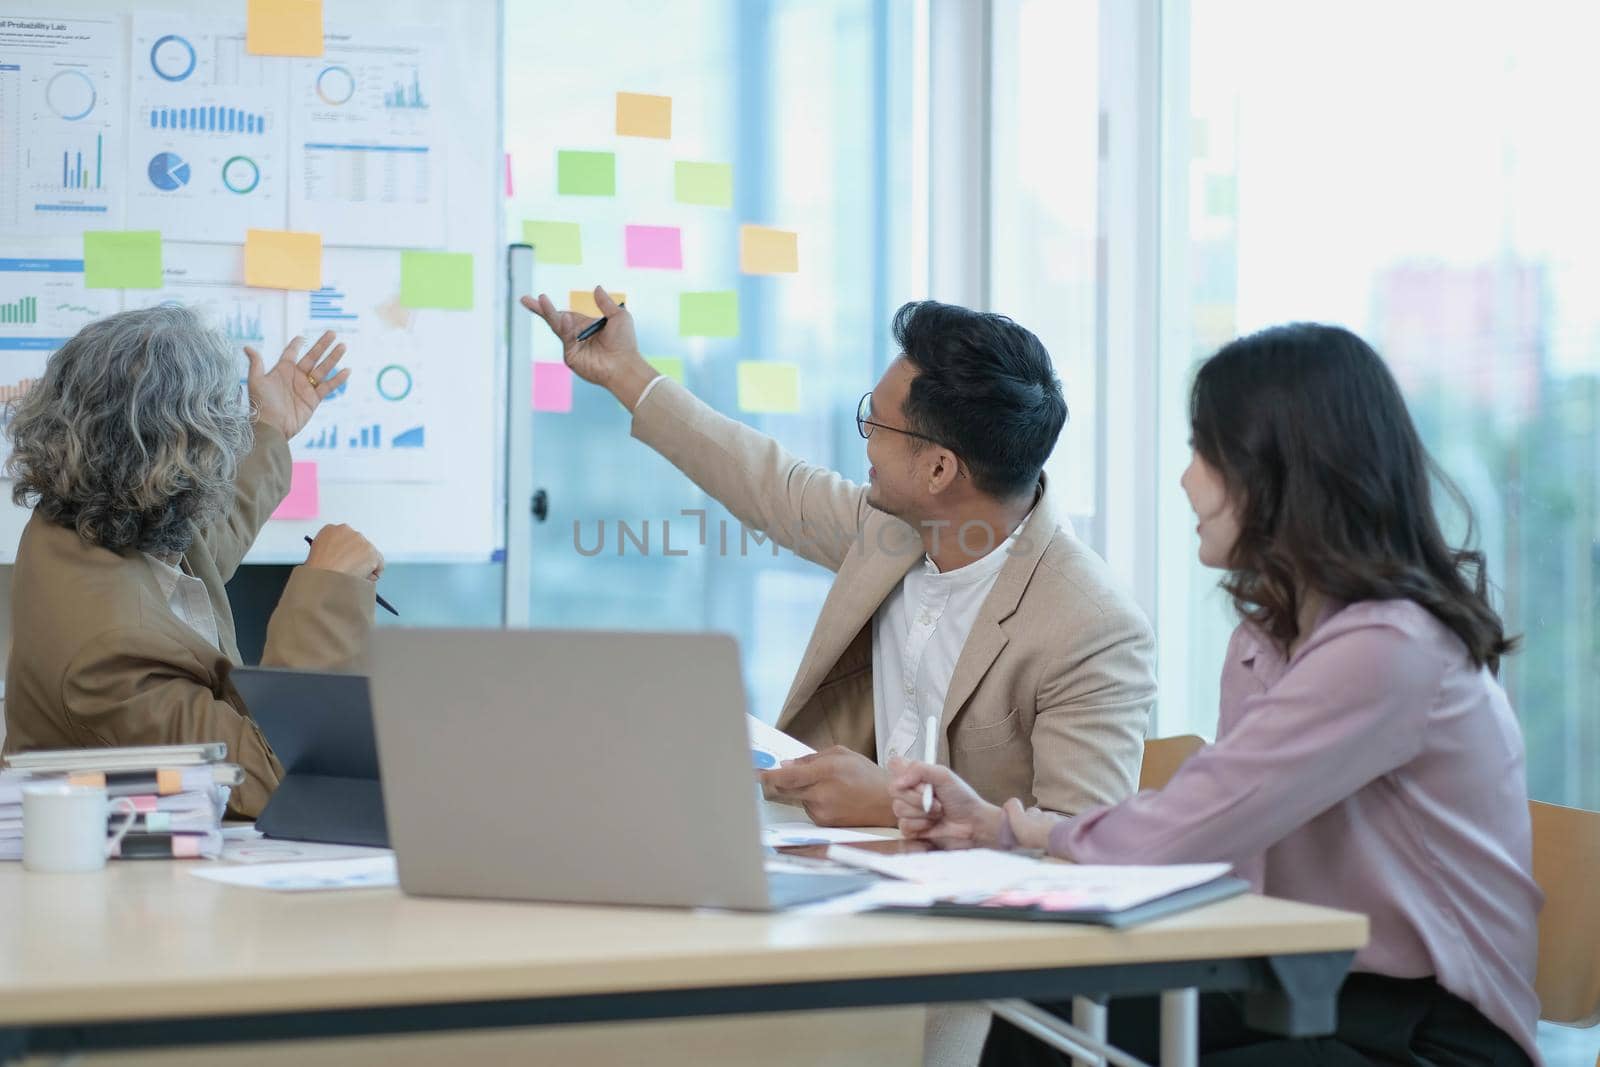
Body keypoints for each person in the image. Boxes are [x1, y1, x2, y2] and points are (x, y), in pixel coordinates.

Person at [889, 323, 1542, 1066]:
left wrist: (1009, 830)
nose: (1186, 479)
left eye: (1205, 452)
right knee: (1045, 1011)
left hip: (1428, 1032)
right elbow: (1212, 839)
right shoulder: (1265, 641)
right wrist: (997, 828)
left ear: (1281, 472)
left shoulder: (1389, 647)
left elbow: (1184, 829)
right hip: (1295, 986)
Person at [524, 286, 1155, 827]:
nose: (867, 444)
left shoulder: (1091, 629)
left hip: (980, 939)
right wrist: (628, 373)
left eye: (876, 425)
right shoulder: (895, 530)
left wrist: (899, 805)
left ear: (939, 469)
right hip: (849, 882)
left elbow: (1084, 846)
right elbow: (767, 482)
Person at [3, 306, 386, 818]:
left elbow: (203, 540)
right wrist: (327, 594)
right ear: (184, 460)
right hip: (138, 884)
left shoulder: (78, 517)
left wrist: (267, 427)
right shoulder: (111, 655)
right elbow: (273, 776)